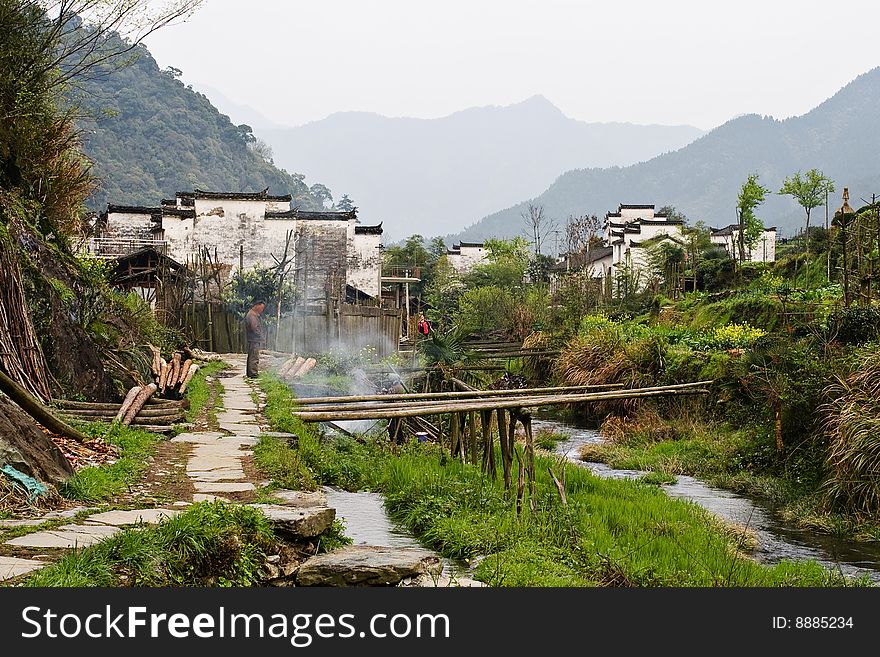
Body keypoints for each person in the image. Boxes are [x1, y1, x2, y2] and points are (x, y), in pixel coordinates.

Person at [244, 300, 266, 378]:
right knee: (254, 357)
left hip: (252, 339)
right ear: (257, 305)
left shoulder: (252, 314)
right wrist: (261, 335)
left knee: (252, 356)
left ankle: (250, 373)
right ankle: (253, 374)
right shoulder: (252, 316)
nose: (262, 310)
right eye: (261, 308)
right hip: (254, 339)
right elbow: (255, 328)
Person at [385, 375, 407, 444]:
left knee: (392, 427)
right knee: (397, 426)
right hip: (397, 409)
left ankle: (396, 441)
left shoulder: (396, 387)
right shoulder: (399, 386)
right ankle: (399, 441)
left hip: (394, 409)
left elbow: (389, 397)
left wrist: (385, 393)